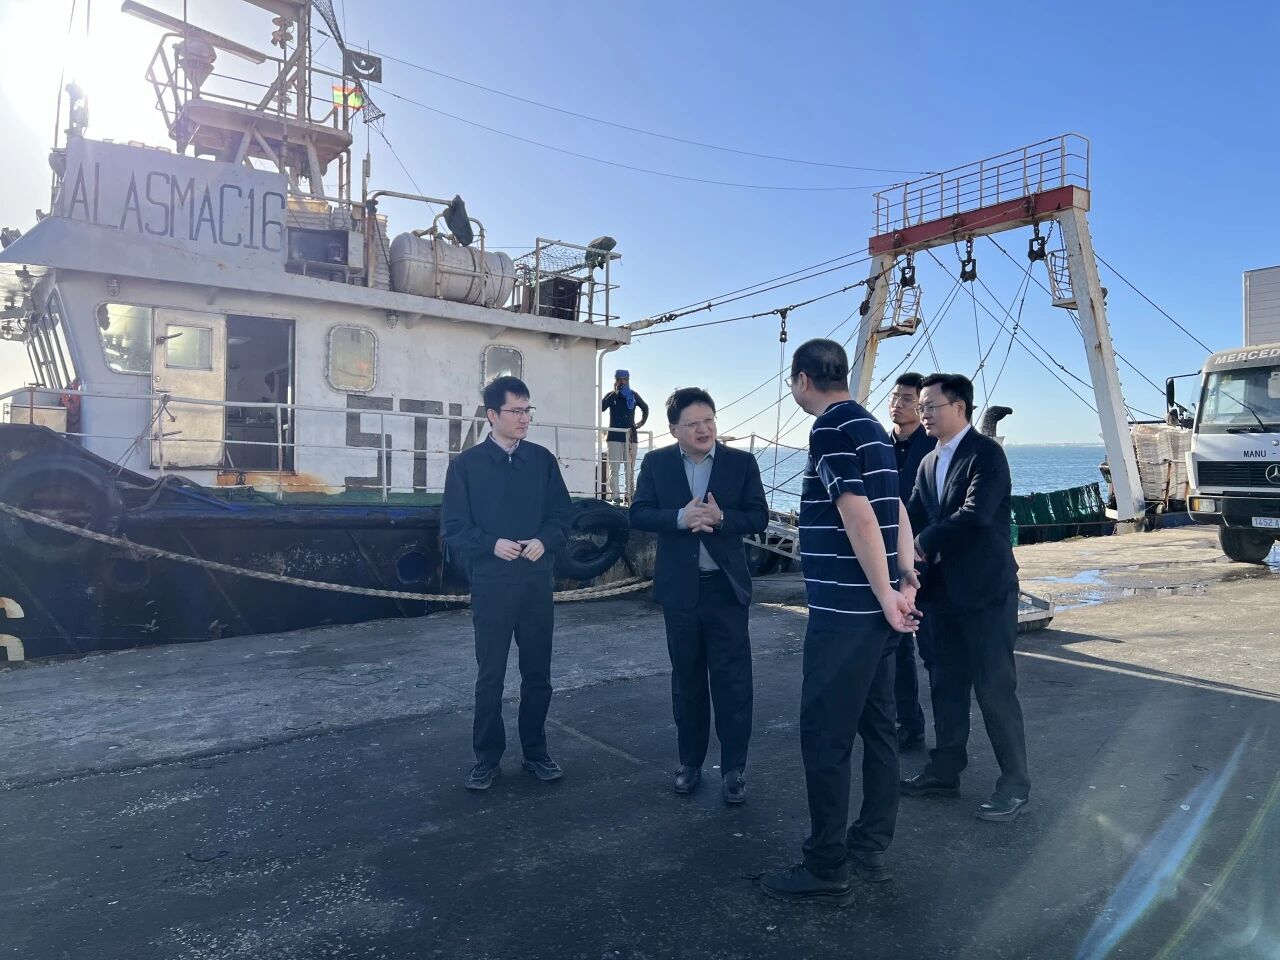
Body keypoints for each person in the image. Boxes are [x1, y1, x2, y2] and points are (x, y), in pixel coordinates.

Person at [761, 339, 921, 906]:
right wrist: (905, 578)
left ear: (803, 380)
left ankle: (826, 863)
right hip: (877, 619)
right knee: (879, 731)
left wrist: (885, 593)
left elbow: (857, 513)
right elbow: (895, 508)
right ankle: (869, 848)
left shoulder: (829, 429)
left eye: (792, 382)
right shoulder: (873, 428)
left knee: (825, 738)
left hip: (844, 616)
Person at [901, 373, 1031, 822]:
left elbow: (976, 515)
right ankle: (945, 769)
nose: (923, 414)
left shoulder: (986, 454)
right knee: (946, 684)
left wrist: (923, 541)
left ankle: (1014, 784)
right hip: (940, 595)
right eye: (920, 407)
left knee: (994, 688)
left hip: (986, 593)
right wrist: (892, 542)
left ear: (959, 407)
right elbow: (912, 512)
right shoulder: (928, 462)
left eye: (930, 406)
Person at [630, 388, 768, 804]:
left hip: (726, 590)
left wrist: (721, 518)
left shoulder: (741, 463)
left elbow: (758, 516)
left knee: (733, 683)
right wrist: (680, 517)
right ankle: (689, 763)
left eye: (709, 420)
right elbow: (638, 513)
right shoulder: (656, 463)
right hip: (681, 592)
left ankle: (734, 769)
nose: (704, 429)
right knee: (687, 681)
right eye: (693, 424)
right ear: (674, 429)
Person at [442, 375, 572, 791]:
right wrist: (490, 544)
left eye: (527, 410)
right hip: (492, 583)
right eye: (516, 411)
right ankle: (486, 758)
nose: (524, 418)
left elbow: (562, 515)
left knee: (538, 674)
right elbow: (453, 527)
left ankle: (536, 752)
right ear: (492, 415)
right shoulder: (466, 466)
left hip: (535, 582)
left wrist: (544, 541)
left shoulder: (542, 460)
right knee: (490, 675)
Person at [887, 372, 938, 752]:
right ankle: (908, 723)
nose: (898, 404)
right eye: (895, 397)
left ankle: (947, 739)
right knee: (897, 647)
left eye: (907, 399)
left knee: (934, 649)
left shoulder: (934, 448)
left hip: (926, 562)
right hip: (886, 560)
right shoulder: (876, 446)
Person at [601, 370, 649, 503]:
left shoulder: (633, 395)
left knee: (630, 469)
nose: (622, 382)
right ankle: (616, 497)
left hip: (630, 437)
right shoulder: (612, 395)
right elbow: (602, 407)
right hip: (614, 437)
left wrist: (641, 423)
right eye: (619, 379)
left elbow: (645, 408)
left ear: (628, 380)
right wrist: (615, 393)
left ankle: (629, 496)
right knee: (614, 468)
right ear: (615, 380)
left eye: (625, 379)